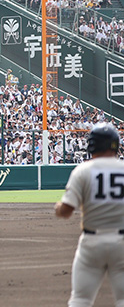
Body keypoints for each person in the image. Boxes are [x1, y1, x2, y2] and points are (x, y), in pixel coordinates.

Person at [56, 123, 124, 306]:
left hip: (92, 243)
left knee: (80, 299)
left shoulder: (83, 171)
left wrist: (58, 207)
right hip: (122, 242)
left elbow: (66, 211)